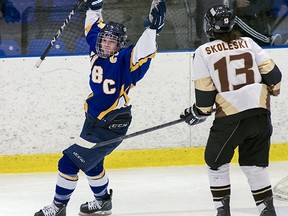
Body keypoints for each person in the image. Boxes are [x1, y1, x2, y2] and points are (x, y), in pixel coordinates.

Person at [34, 0, 166, 215]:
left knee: (68, 162)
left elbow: (145, 50)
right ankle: (103, 202)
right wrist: (94, 6)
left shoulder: (126, 61)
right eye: (104, 40)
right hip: (94, 118)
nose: (105, 44)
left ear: (119, 44)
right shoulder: (97, 45)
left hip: (112, 122)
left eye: (111, 42)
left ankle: (58, 207)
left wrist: (152, 30)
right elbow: (93, 24)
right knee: (92, 164)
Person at [180, 4, 282, 216]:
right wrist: (271, 90)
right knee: (255, 165)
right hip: (261, 114)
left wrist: (197, 111)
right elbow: (274, 77)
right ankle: (266, 209)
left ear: (209, 27)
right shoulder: (249, 42)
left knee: (215, 162)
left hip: (231, 117)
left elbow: (205, 102)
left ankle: (222, 211)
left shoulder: (203, 52)